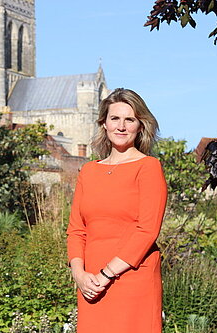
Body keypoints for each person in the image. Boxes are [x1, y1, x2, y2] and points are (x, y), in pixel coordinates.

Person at [66, 88, 167, 332]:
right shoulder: (89, 171)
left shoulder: (149, 167)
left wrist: (106, 274)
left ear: (140, 126)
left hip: (132, 280)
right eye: (115, 119)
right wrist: (79, 275)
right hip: (90, 284)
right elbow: (76, 230)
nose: (121, 126)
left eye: (129, 119)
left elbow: (147, 231)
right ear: (104, 124)